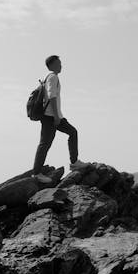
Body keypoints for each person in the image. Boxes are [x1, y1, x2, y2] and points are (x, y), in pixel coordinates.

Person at [33, 55, 86, 183]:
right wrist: (56, 116)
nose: (61, 66)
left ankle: (74, 162)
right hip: (51, 117)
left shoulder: (49, 77)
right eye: (59, 63)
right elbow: (52, 97)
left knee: (72, 132)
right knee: (45, 144)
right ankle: (36, 173)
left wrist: (57, 116)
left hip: (54, 116)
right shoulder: (52, 77)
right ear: (51, 65)